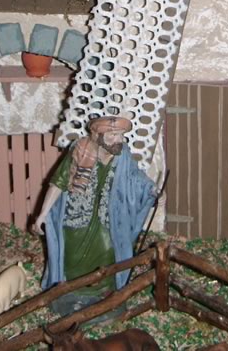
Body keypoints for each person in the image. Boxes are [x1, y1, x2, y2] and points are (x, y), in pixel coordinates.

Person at [33, 115, 156, 313]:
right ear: (98, 135)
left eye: (121, 135)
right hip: (77, 216)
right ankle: (71, 292)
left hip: (108, 218)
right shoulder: (80, 151)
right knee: (72, 254)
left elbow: (136, 178)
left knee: (109, 249)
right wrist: (43, 214)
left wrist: (152, 190)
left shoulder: (122, 155)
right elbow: (58, 183)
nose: (118, 140)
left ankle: (104, 292)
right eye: (113, 135)